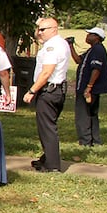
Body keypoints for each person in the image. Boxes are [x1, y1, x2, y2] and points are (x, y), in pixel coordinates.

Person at [24, 16, 71, 172]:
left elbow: (46, 72)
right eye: (38, 29)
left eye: (43, 30)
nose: (39, 33)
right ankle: (47, 159)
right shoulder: (60, 43)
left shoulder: (52, 47)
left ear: (54, 29)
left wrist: (32, 90)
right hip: (57, 90)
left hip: (49, 91)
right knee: (48, 126)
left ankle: (52, 166)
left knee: (47, 129)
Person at [74, 26, 107, 147]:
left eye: (90, 34)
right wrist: (70, 46)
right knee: (91, 114)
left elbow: (96, 69)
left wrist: (89, 87)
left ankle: (85, 141)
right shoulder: (92, 50)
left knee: (83, 115)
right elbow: (78, 60)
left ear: (97, 37)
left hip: (89, 89)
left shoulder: (98, 50)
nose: (87, 36)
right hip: (88, 88)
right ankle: (95, 140)